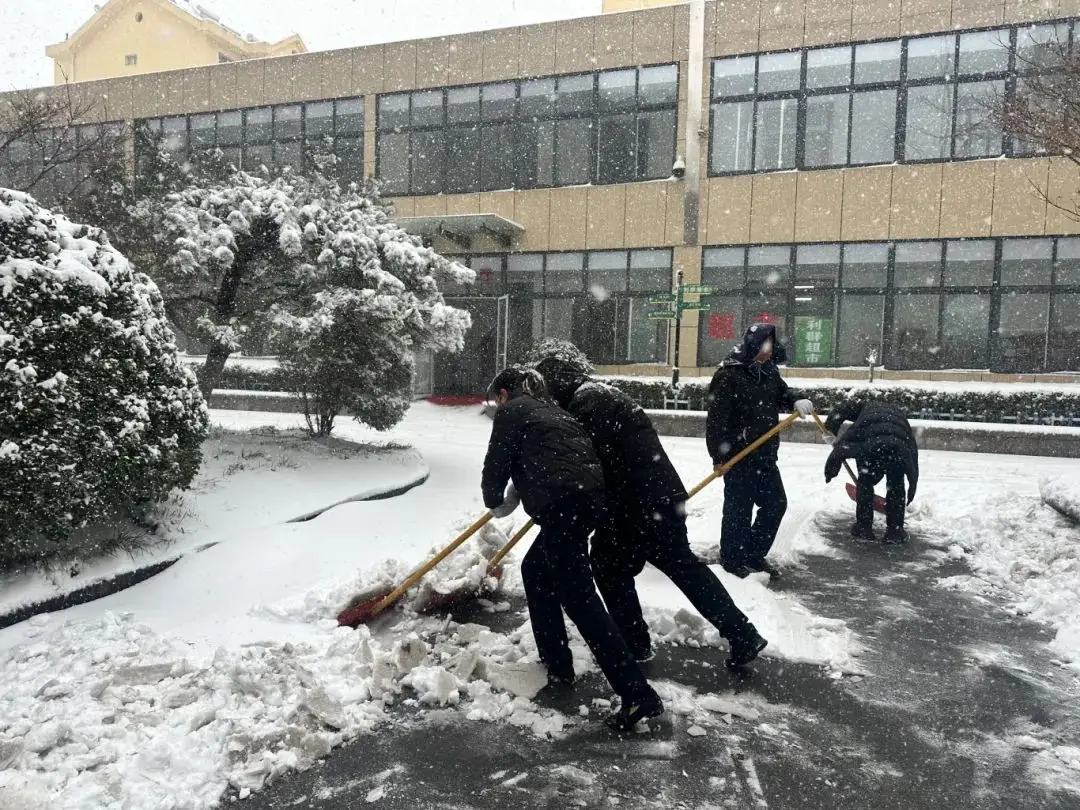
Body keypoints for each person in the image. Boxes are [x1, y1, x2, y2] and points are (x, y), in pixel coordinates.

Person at [535, 354, 769, 670]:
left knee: (609, 568)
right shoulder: (601, 395)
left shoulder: (588, 404)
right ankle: (742, 633)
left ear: (556, 385)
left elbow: (589, 462)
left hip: (633, 505)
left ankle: (635, 644)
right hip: (661, 497)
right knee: (684, 568)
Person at [481, 365, 664, 731]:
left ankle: (636, 693)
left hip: (563, 505)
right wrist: (530, 482)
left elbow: (497, 461)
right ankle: (556, 661)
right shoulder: (552, 409)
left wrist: (494, 499)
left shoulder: (512, 410)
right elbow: (559, 454)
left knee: (578, 596)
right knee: (535, 570)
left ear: (503, 393)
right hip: (588, 500)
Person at [706, 323, 814, 579]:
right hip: (738, 457)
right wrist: (719, 458)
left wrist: (796, 399)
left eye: (771, 346)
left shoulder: (768, 372)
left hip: (765, 455)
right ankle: (732, 561)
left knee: (775, 504)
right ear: (752, 344)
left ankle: (754, 555)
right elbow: (716, 422)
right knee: (738, 511)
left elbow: (782, 393)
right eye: (764, 345)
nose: (768, 351)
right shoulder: (729, 375)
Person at [823, 400, 919, 544]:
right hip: (899, 449)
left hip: (870, 448)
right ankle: (895, 531)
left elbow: (839, 416)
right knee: (896, 486)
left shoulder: (864, 412)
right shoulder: (898, 414)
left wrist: (831, 433)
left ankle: (863, 529)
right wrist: (912, 485)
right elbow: (912, 453)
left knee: (865, 483)